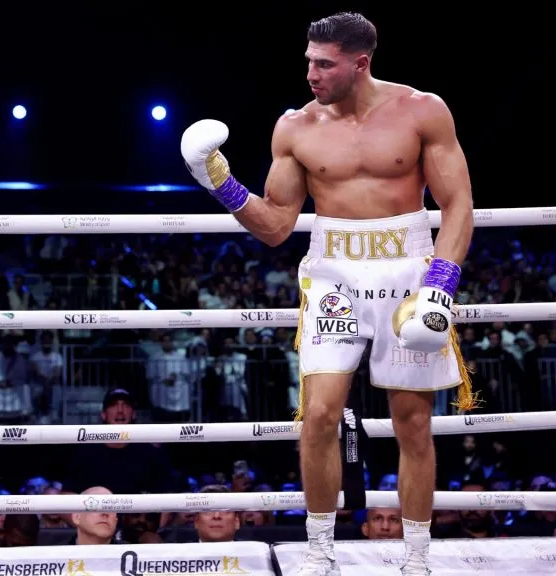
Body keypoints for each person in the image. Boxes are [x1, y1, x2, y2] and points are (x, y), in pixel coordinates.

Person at [181, 12, 474, 576]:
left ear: (360, 63)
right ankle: (320, 553)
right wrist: (220, 182)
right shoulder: (295, 127)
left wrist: (440, 284)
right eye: (308, 61)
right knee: (317, 415)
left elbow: (457, 203)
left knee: (413, 421)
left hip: (410, 269)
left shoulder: (422, 110)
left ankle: (416, 558)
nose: (310, 73)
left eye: (323, 64)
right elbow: (275, 226)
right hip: (334, 273)